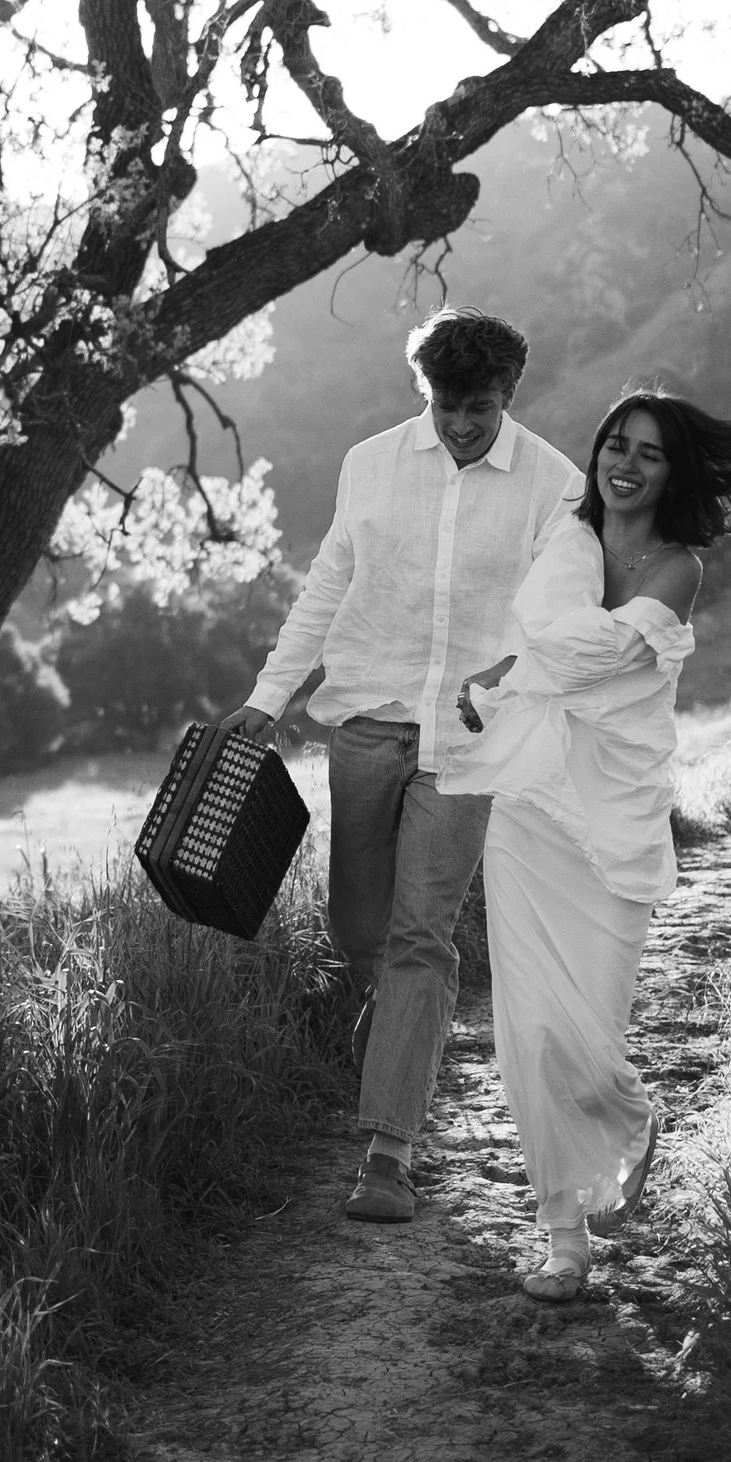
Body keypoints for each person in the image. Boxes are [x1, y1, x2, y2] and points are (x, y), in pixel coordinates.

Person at [228, 309, 581, 1227]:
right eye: (446, 404)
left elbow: (560, 618)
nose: (463, 423)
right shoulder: (369, 463)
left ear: (511, 392)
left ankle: (388, 1153)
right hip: (367, 720)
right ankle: (382, 1014)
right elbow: (326, 586)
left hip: (469, 742)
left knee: (424, 935)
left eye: (482, 406)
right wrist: (268, 700)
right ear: (421, 390)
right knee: (358, 928)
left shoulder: (554, 485)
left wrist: (509, 682)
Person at [447, 391, 731, 1303]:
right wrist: (518, 669)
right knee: (530, 1027)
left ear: (674, 473)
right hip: (531, 808)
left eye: (649, 453)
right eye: (613, 444)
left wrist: (512, 671)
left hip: (616, 826)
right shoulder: (567, 540)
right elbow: (554, 635)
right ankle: (563, 1237)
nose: (624, 463)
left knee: (588, 1032)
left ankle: (631, 1115)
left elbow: (590, 653)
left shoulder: (678, 570)